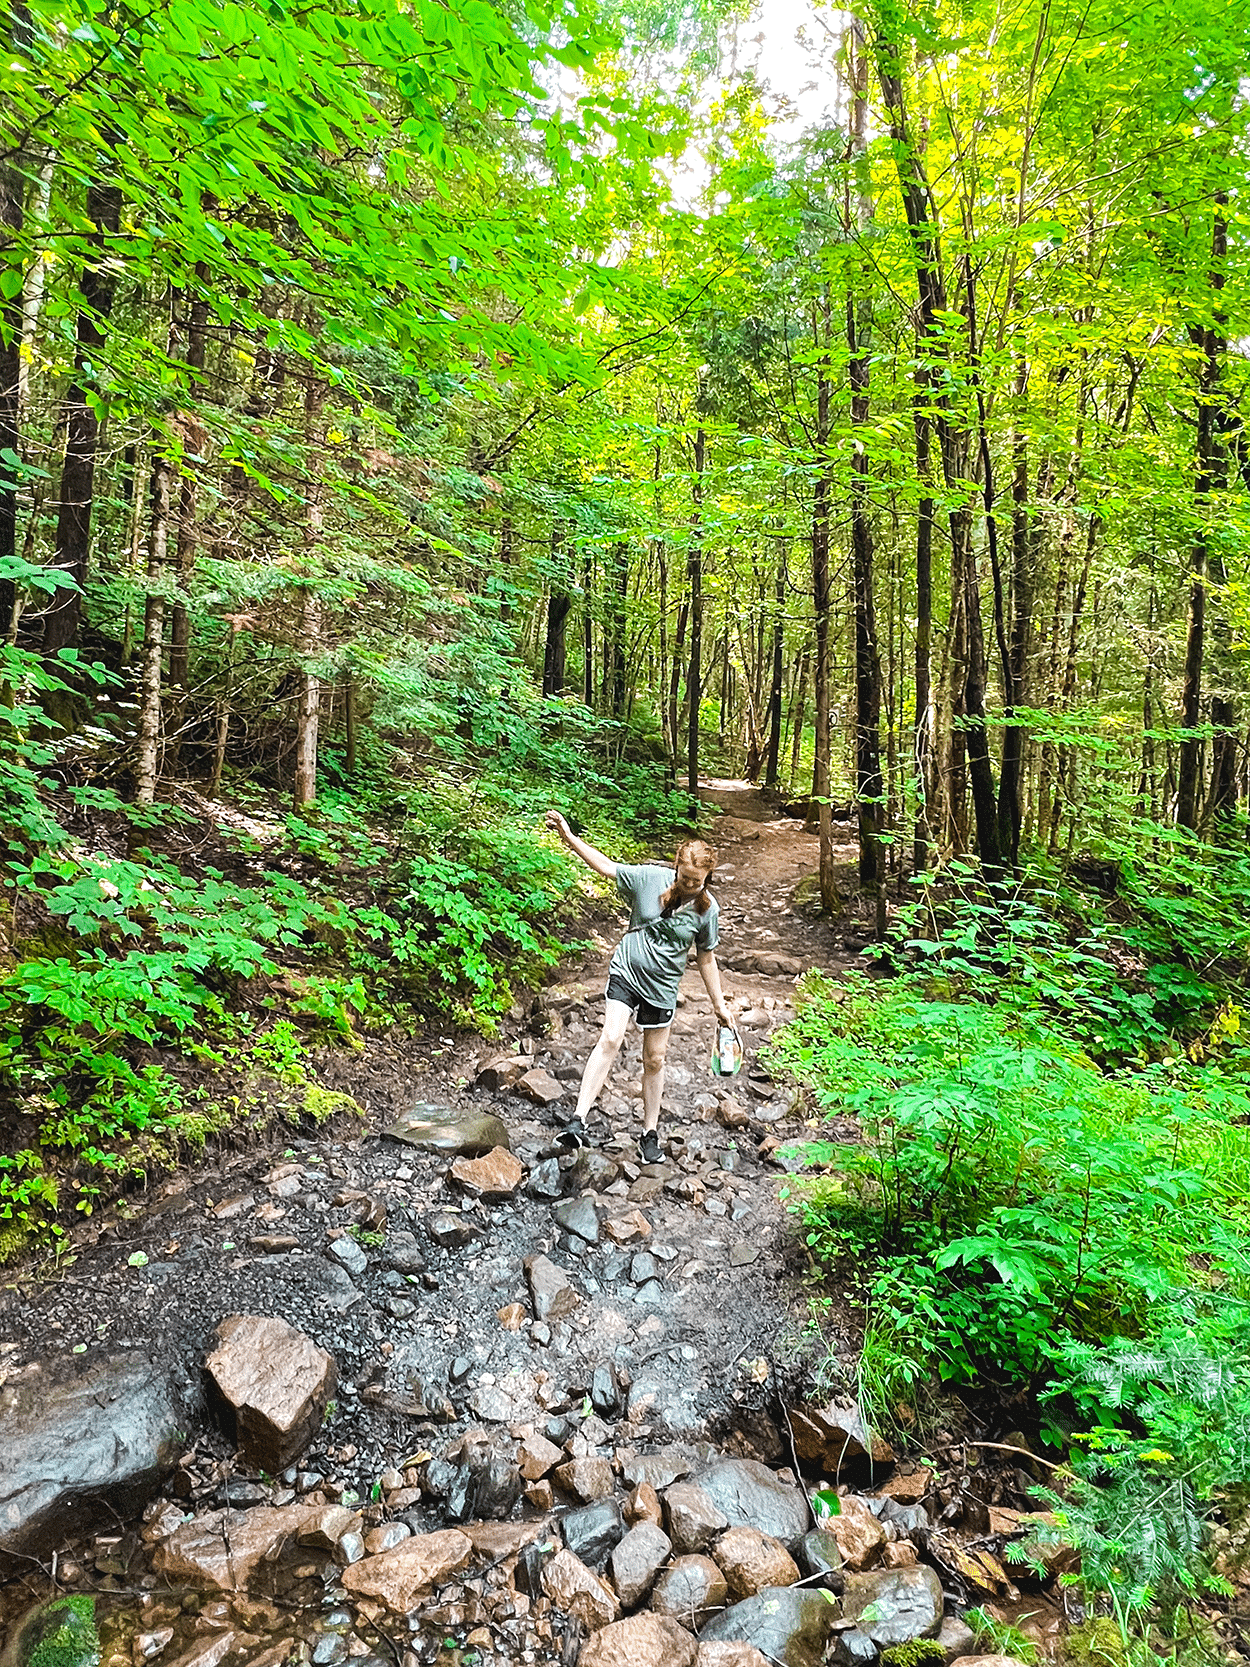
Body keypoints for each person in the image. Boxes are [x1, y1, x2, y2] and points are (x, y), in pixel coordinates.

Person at [544, 811, 734, 1163]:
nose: (691, 886)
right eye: (686, 878)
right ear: (676, 866)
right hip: (627, 971)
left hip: (662, 988)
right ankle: (578, 1120)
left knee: (654, 1059)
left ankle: (649, 1134)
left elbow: (706, 958)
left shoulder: (708, 911)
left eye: (698, 882)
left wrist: (720, 1007)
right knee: (612, 1037)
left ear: (708, 877)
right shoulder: (648, 878)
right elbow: (606, 867)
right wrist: (569, 838)